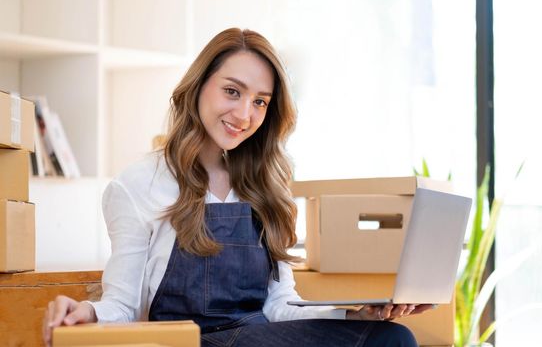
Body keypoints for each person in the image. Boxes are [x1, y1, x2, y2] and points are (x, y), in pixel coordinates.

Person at [42, 28, 433, 347]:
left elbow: (280, 307)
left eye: (261, 101)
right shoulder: (137, 185)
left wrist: (354, 314)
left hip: (258, 336)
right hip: (187, 342)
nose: (245, 115)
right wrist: (87, 312)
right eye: (232, 91)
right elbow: (123, 306)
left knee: (392, 337)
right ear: (198, 88)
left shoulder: (266, 183)